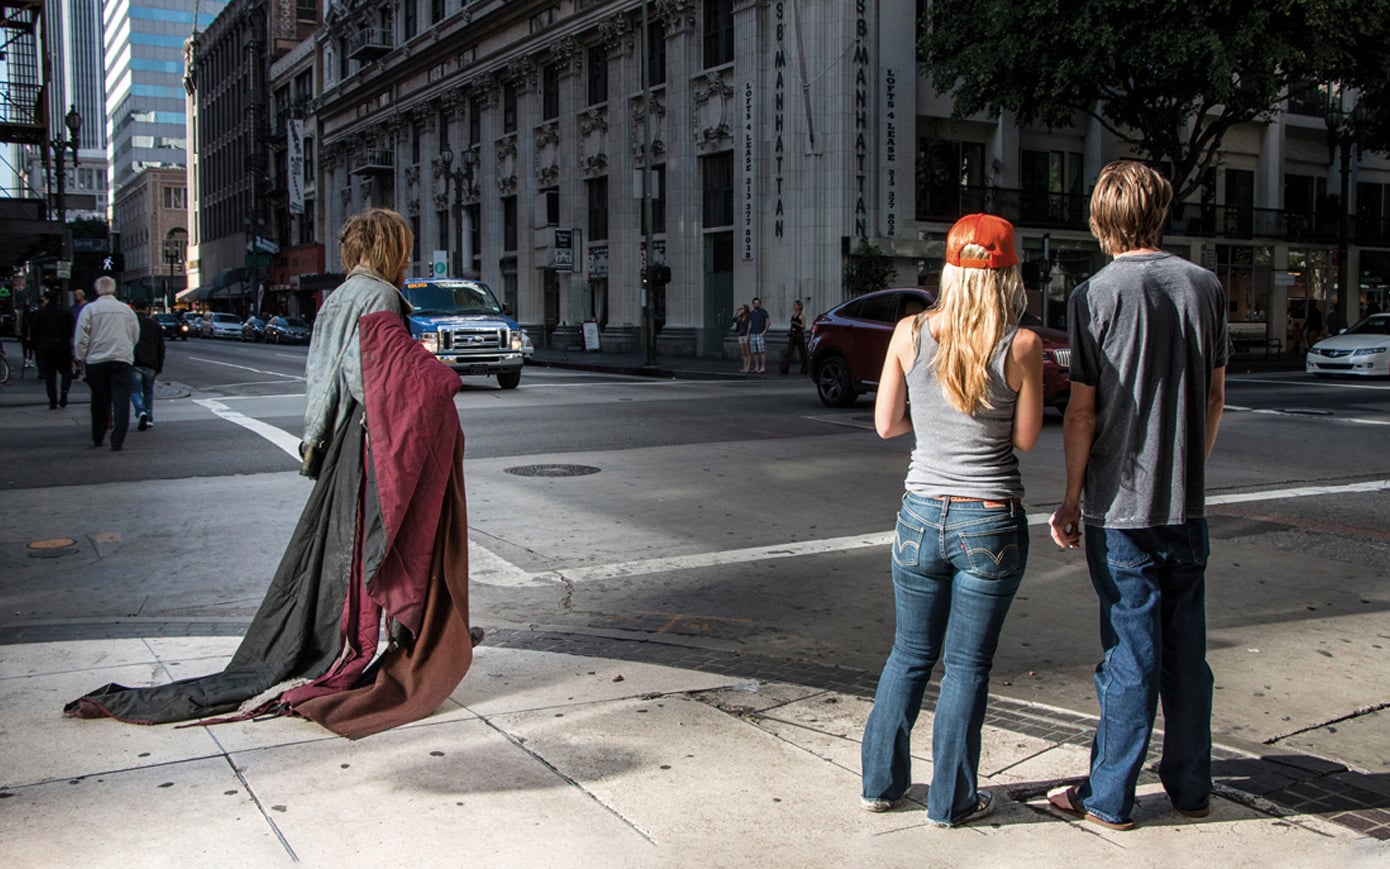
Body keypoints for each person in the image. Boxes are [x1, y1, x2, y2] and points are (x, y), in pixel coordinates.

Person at [67, 207, 480, 740]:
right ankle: (378, 647)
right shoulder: (378, 295)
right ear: (390, 249)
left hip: (343, 440)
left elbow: (321, 374)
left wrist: (316, 437)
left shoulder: (338, 296)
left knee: (354, 553)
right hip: (372, 439)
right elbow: (369, 377)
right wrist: (435, 377)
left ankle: (383, 639)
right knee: (383, 547)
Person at [1046, 161, 1228, 831]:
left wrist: (1070, 497)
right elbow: (1214, 396)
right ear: (1159, 210)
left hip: (1118, 511)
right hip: (1186, 507)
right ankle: (1190, 786)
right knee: (1186, 652)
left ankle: (1110, 795)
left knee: (1129, 652)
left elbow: (1083, 412)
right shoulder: (1204, 286)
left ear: (1102, 219)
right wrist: (1188, 469)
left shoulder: (1094, 295)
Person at [860, 213, 1043, 827]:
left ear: (950, 268)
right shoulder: (1021, 344)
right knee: (965, 667)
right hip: (989, 519)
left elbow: (885, 425)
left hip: (918, 515)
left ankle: (881, 784)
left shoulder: (909, 331)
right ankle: (951, 800)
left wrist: (931, 424)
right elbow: (1025, 439)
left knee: (909, 653)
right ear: (1008, 272)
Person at [73, 276, 139, 451]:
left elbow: (82, 337)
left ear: (97, 290)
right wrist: (128, 349)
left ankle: (98, 434)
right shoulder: (126, 310)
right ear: (114, 289)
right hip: (121, 358)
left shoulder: (90, 310)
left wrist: (80, 357)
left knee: (99, 399)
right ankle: (117, 440)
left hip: (96, 360)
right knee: (121, 400)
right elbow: (135, 333)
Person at [28, 290, 76, 408]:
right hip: (63, 347)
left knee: (49, 375)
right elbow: (71, 330)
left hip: (46, 348)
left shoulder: (39, 314)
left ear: (48, 300)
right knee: (66, 372)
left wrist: (37, 344)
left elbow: (34, 331)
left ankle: (52, 400)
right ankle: (64, 390)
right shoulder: (65, 313)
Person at [129, 300, 165, 431]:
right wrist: (159, 365)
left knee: (134, 390)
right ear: (147, 309)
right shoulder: (155, 325)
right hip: (151, 362)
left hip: (134, 361)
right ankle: (149, 417)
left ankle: (141, 411)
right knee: (148, 391)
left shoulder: (131, 324)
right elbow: (161, 347)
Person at [778, 299, 808, 376]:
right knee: (789, 351)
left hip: (799, 334)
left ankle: (805, 368)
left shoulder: (801, 316)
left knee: (802, 351)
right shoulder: (793, 315)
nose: (794, 307)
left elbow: (803, 326)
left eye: (795, 305)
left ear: (799, 306)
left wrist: (797, 324)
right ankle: (784, 368)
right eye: (794, 305)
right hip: (793, 334)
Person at [748, 297, 771, 373]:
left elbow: (767, 321)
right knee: (755, 351)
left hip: (760, 333)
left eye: (757, 303)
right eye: (755, 303)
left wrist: (764, 331)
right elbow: (750, 323)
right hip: (753, 334)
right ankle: (757, 367)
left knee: (762, 351)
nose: (756, 304)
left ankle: (763, 367)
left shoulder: (763, 312)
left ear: (760, 304)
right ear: (753, 304)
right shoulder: (751, 313)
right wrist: (748, 333)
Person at [733, 304, 751, 372]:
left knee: (747, 351)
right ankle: (745, 367)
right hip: (740, 334)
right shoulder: (740, 317)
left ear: (746, 309)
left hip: (745, 334)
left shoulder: (748, 316)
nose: (741, 310)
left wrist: (748, 334)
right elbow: (734, 320)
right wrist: (737, 313)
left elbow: (749, 325)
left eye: (742, 308)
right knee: (743, 352)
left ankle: (748, 367)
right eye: (741, 309)